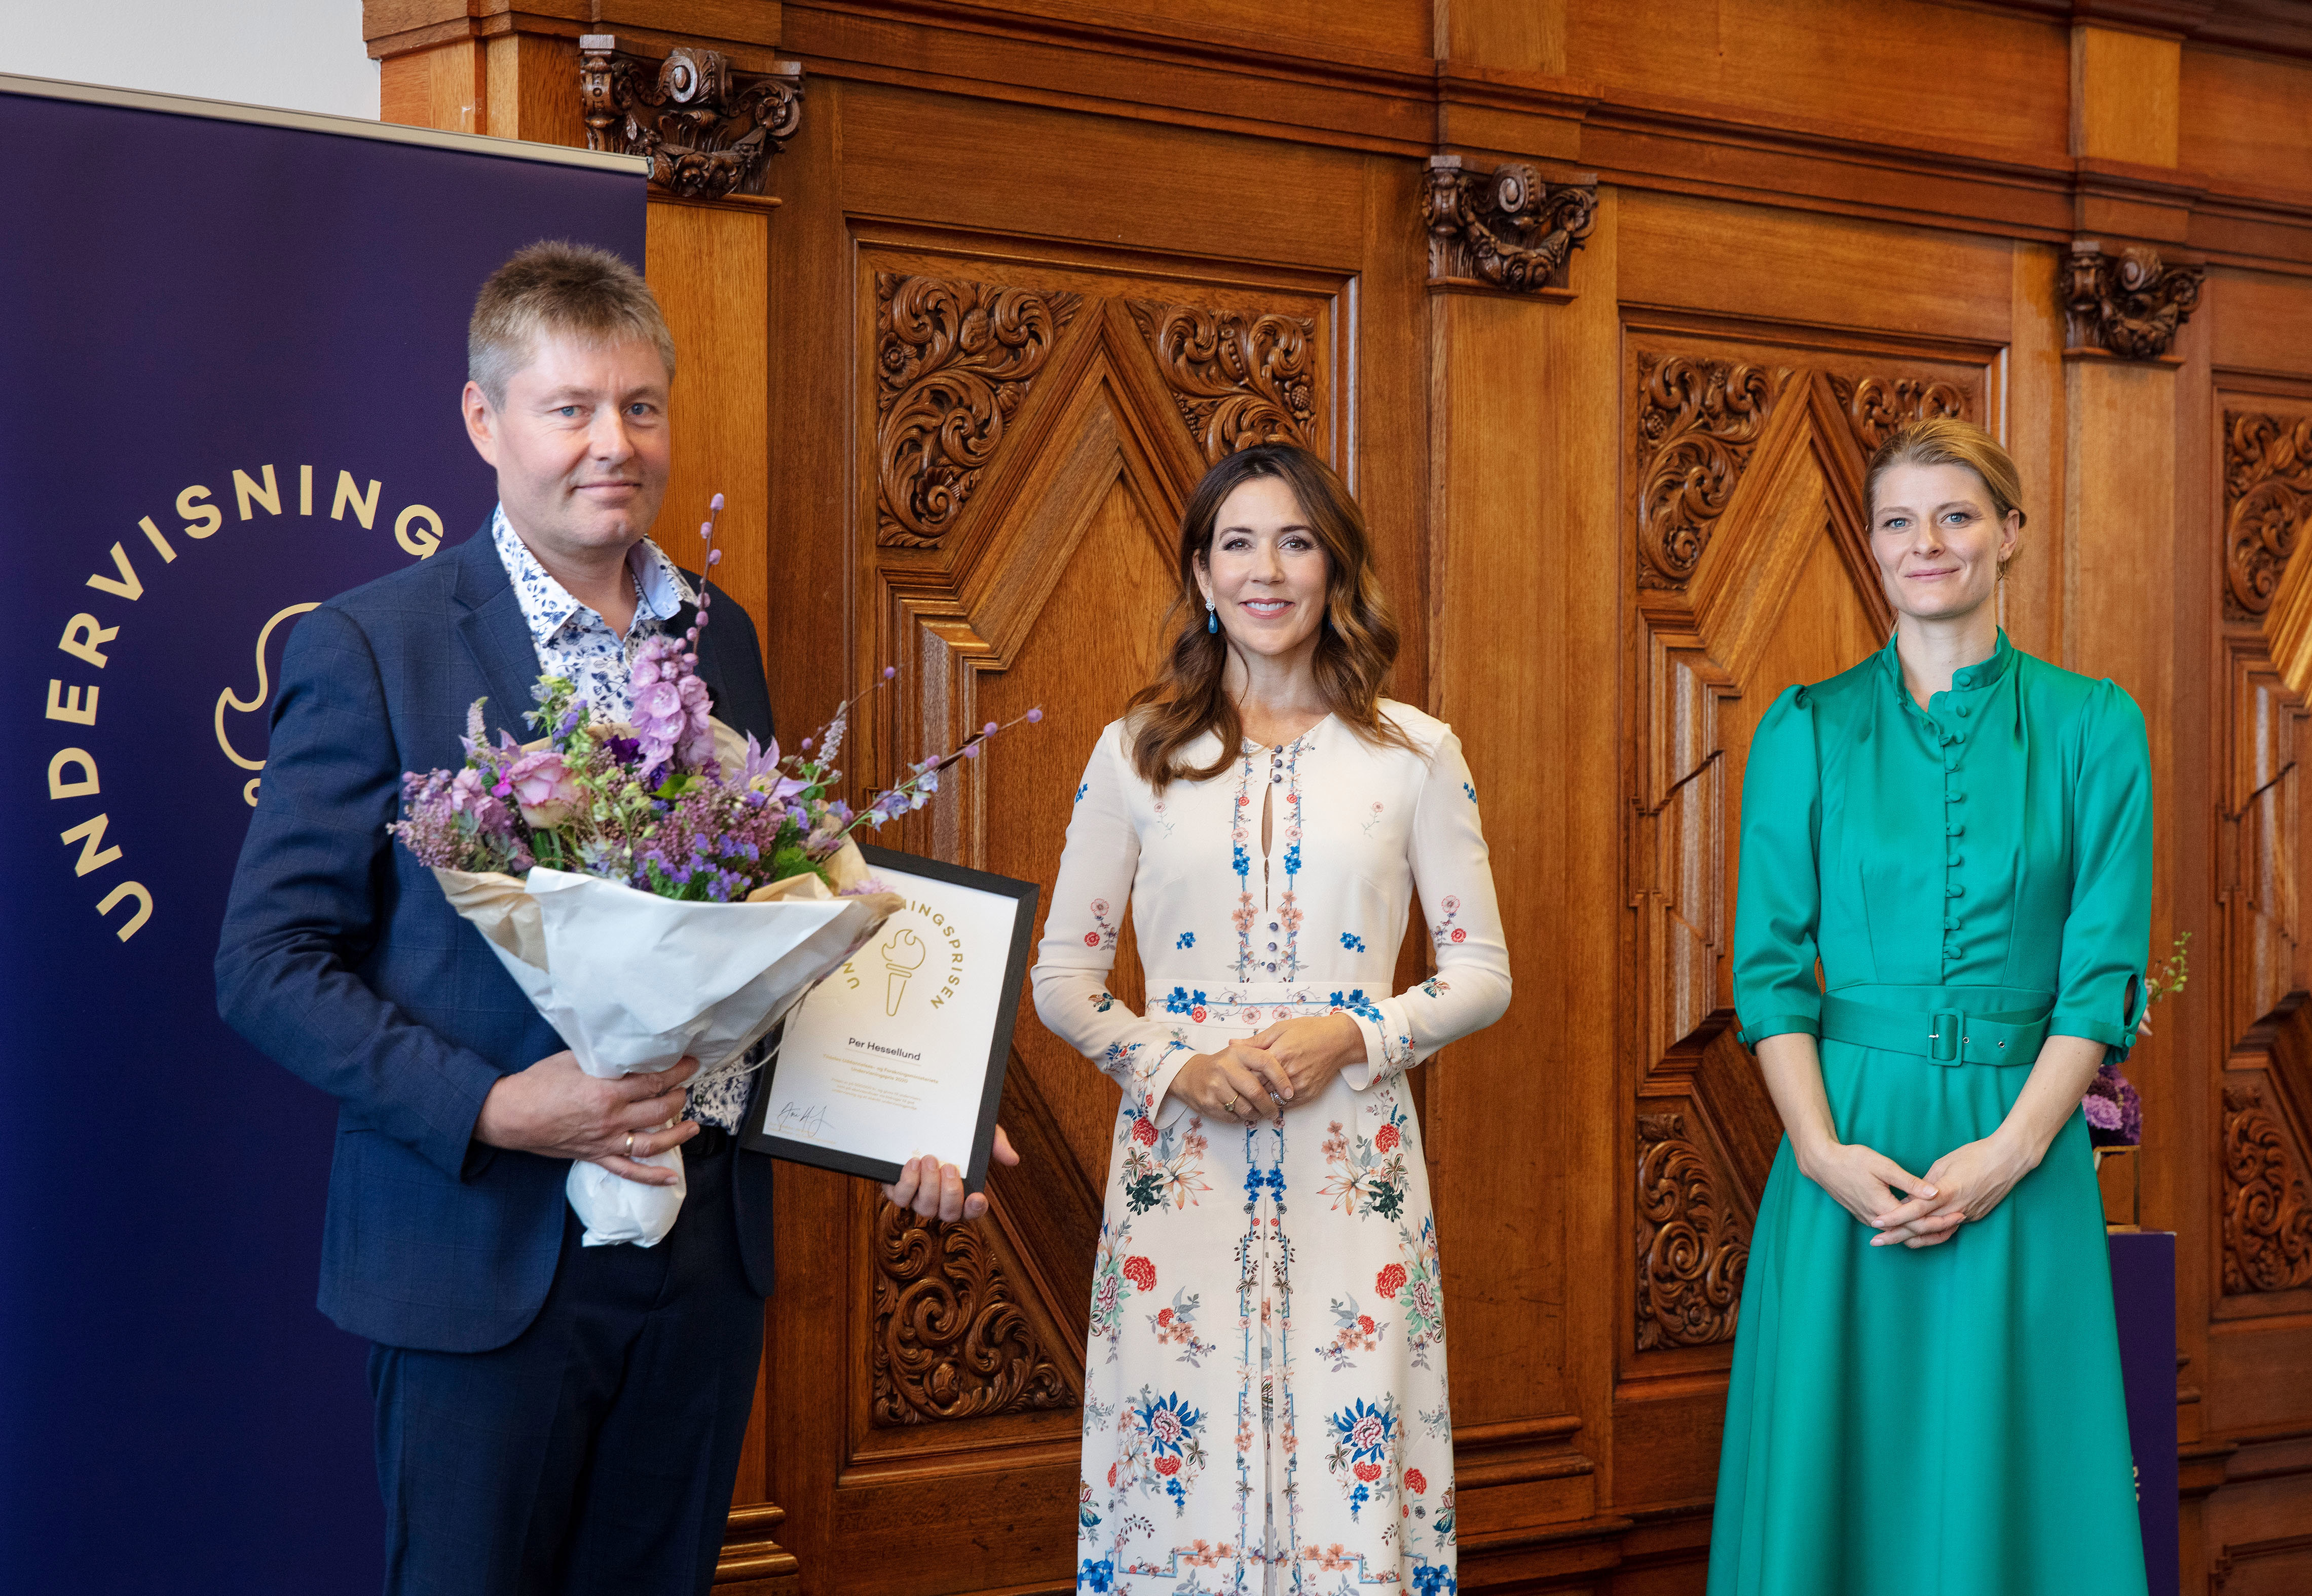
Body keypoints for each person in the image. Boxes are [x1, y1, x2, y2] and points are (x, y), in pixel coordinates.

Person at [215, 241, 1006, 1596]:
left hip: (699, 1262)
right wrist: (497, 1105)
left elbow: (774, 932)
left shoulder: (722, 637)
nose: (611, 444)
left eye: (640, 407)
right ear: (485, 420)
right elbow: (267, 965)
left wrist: (921, 1102)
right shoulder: (371, 643)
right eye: (569, 406)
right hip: (477, 1261)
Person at [1032, 443, 1509, 1593]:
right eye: (1236, 543)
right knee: (1177, 1459)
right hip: (1179, 1162)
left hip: (1352, 1155)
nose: (1266, 570)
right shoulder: (1137, 751)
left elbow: (1482, 971)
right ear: (1201, 574)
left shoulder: (1415, 754)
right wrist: (1172, 1063)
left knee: (1352, 1463)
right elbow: (1062, 977)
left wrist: (1355, 1035)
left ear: (1334, 571)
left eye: (1296, 542)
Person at [1708, 418, 2150, 1594]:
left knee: (2021, 1477)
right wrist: (1818, 1154)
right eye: (1898, 521)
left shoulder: (2096, 725)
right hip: (1846, 1148)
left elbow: (2098, 978)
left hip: (2024, 1147)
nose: (1927, 543)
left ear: (2008, 534)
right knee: (1840, 1477)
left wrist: (2010, 1155)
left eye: (1955, 516)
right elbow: (1768, 974)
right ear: (1872, 546)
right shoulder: (1803, 727)